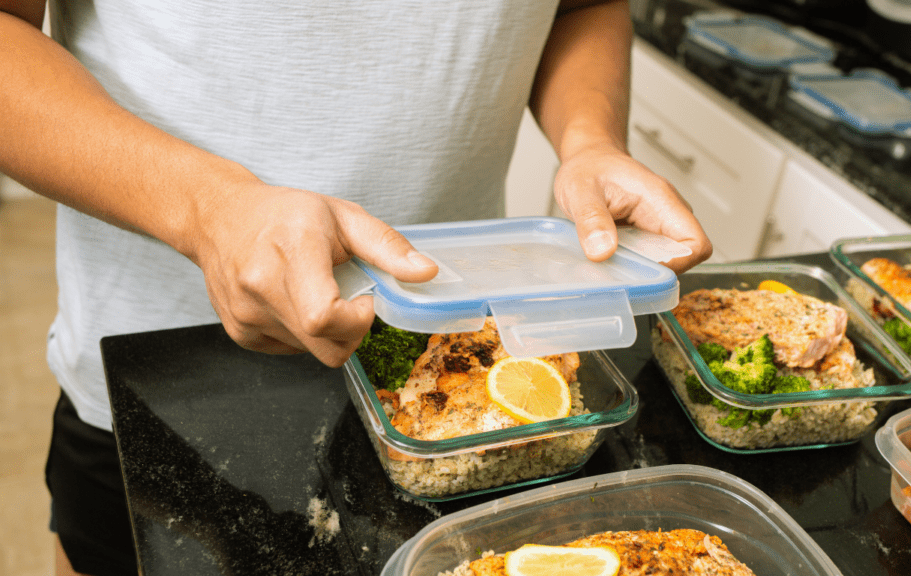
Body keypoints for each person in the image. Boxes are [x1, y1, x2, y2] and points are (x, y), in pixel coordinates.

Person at [0, 0, 713, 574]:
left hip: (465, 386)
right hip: (165, 373)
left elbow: (579, 7)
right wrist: (205, 209)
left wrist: (590, 141)